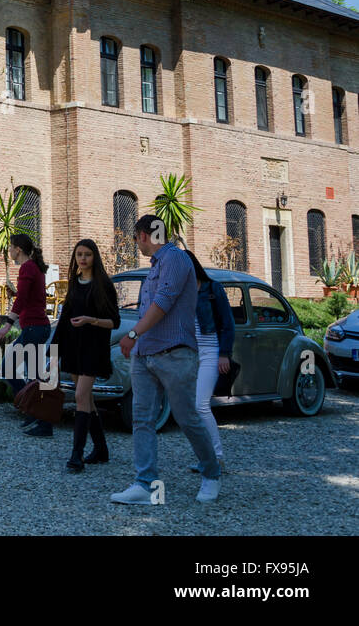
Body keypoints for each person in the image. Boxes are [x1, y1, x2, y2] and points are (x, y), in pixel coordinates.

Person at [110, 215, 220, 505]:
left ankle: (211, 472)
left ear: (144, 236)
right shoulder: (156, 266)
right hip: (145, 356)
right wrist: (138, 343)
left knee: (187, 418)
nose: (137, 245)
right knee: (142, 420)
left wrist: (131, 334)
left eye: (136, 238)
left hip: (175, 354)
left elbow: (163, 303)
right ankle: (145, 484)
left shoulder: (175, 259)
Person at [52, 239, 120, 472]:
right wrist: (54, 351)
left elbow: (114, 322)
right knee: (87, 400)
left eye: (87, 254)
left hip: (93, 348)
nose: (83, 258)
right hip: (73, 347)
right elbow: (63, 320)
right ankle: (101, 449)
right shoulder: (74, 283)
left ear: (94, 257)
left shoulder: (104, 285)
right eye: (79, 254)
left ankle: (76, 455)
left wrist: (91, 320)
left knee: (81, 396)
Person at [0, 233, 53, 436]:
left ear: (18, 249)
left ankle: (36, 414)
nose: (9, 250)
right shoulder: (33, 267)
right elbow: (29, 297)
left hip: (35, 329)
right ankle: (37, 415)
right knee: (35, 375)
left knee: (10, 368)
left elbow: (22, 302)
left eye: (10, 247)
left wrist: (7, 325)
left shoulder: (27, 267)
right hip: (37, 328)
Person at [185, 248, 235, 475]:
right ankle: (206, 459)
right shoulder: (181, 291)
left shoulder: (213, 288)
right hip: (190, 353)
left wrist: (224, 353)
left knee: (201, 405)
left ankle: (217, 458)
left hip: (210, 351)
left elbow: (228, 323)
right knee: (192, 408)